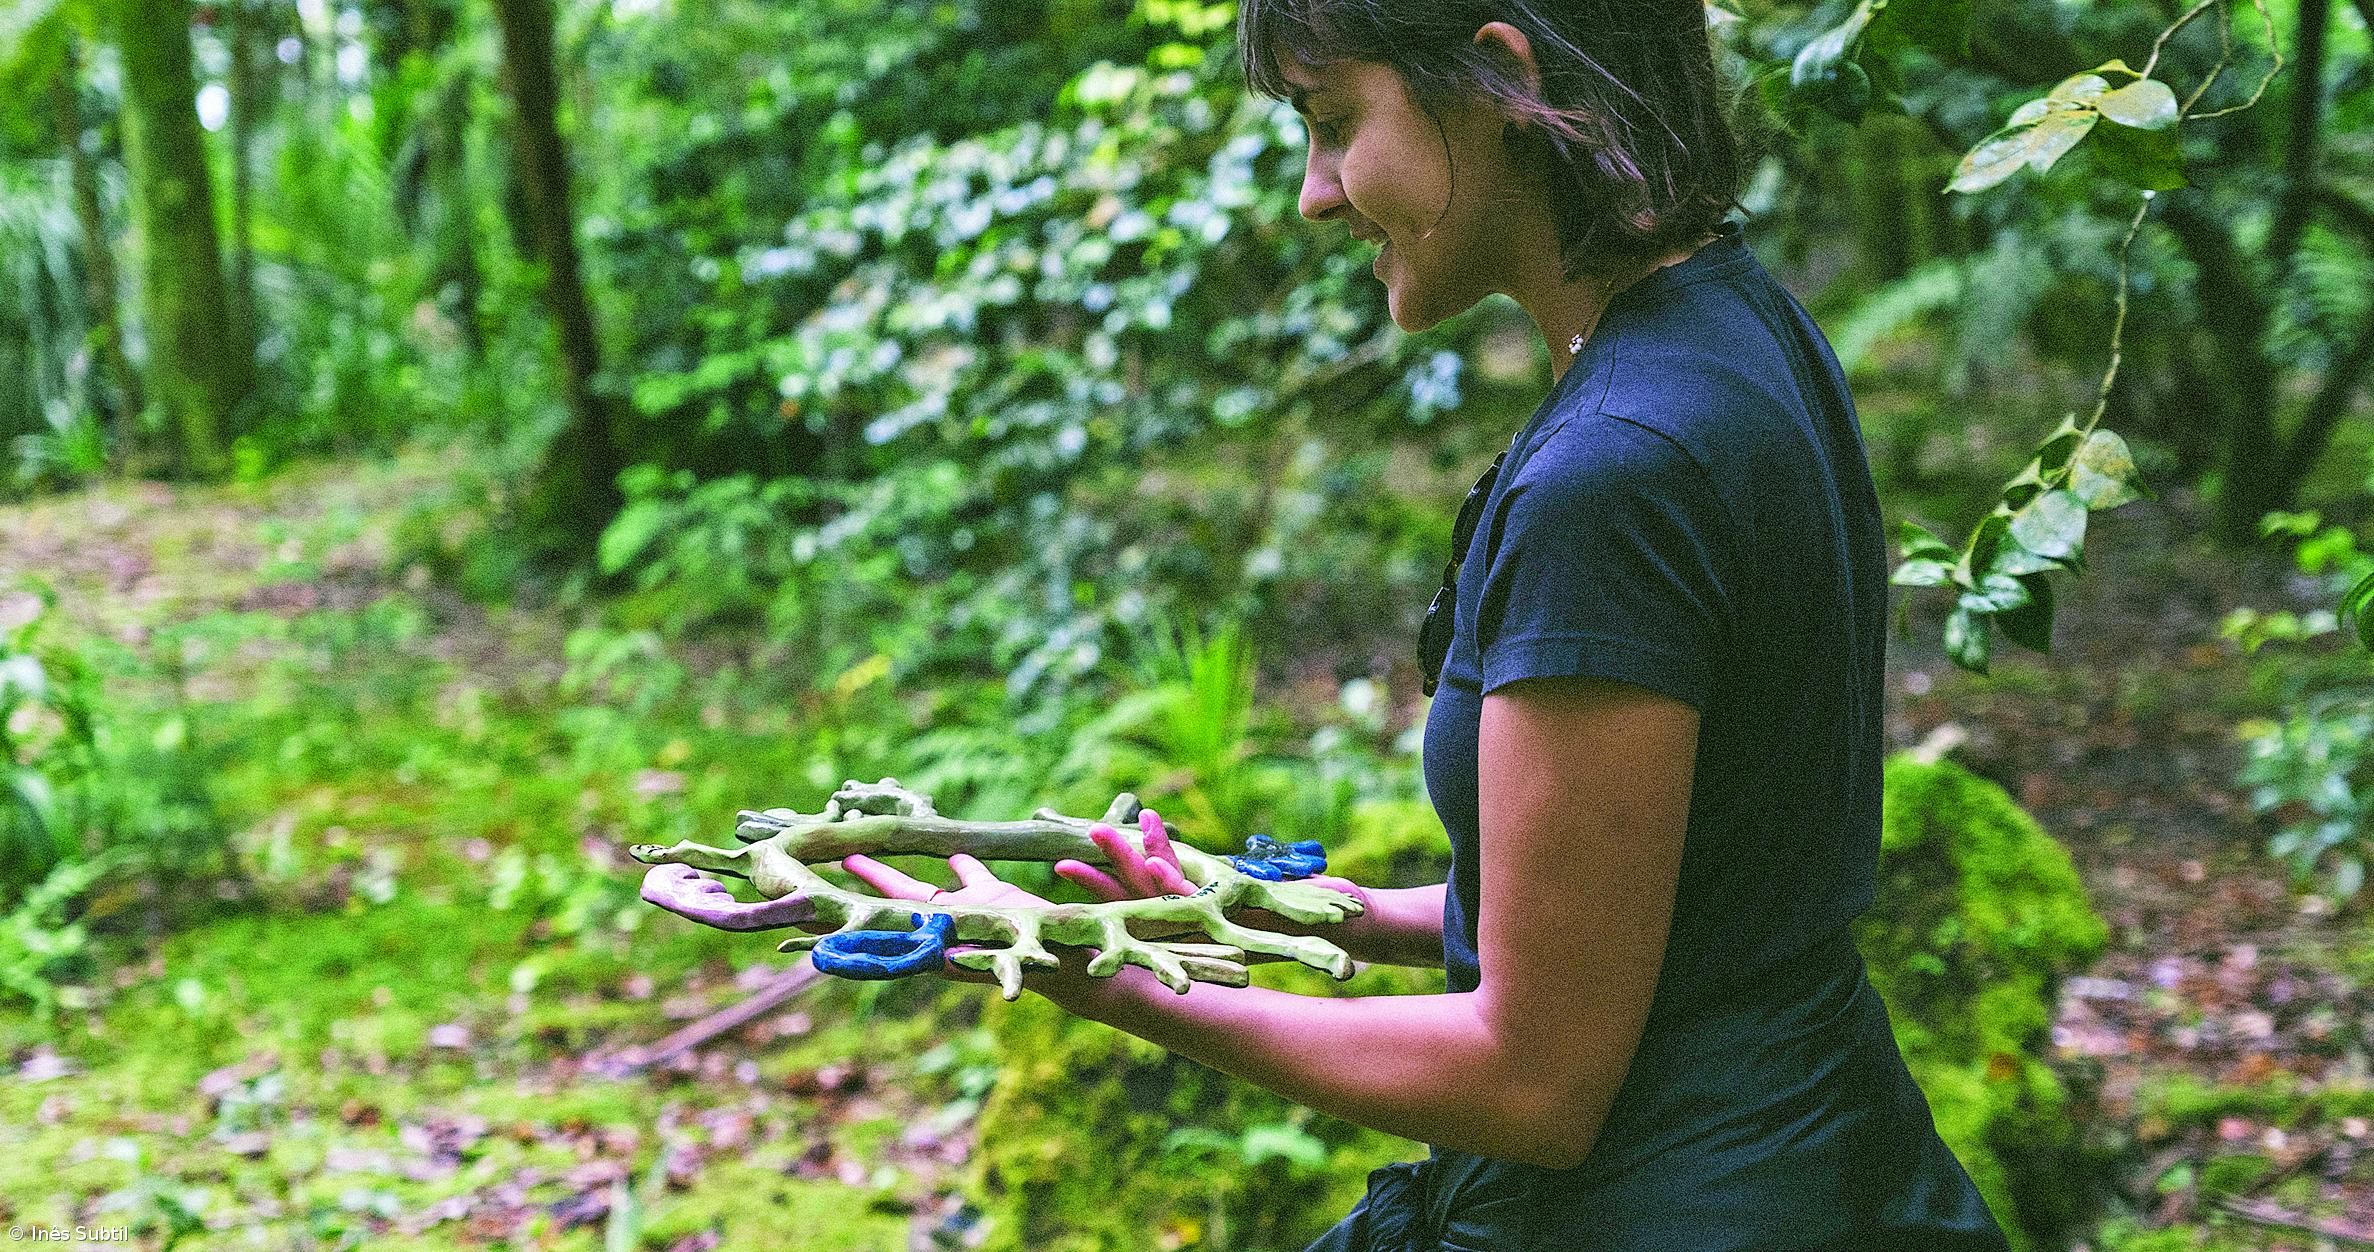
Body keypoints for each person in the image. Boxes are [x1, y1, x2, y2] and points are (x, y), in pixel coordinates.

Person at [781, 4, 2014, 1248]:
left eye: (1333, 123)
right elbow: (1688, 902)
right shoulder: (1738, 329)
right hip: (1823, 1160)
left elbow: (1530, 1082)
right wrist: (1308, 913)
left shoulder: (1615, 473)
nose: (1315, 194)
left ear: (1496, 79)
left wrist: (1105, 977)